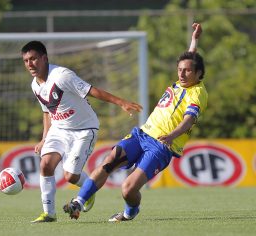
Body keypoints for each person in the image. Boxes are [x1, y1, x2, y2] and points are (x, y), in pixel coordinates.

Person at [63, 23, 208, 222]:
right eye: (179, 70)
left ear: (199, 73)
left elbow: (188, 120)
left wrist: (171, 136)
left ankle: (130, 212)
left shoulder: (197, 93)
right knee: (109, 162)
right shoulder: (182, 81)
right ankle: (78, 202)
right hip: (141, 135)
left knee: (128, 189)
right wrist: (195, 39)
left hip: (162, 146)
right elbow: (191, 57)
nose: (181, 74)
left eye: (187, 71)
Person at [21, 41, 142, 223]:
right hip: (58, 129)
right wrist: (44, 138)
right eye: (26, 61)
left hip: (84, 129)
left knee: (70, 176)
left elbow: (92, 91)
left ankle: (88, 190)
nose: (30, 64)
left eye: (33, 59)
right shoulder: (35, 85)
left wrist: (121, 102)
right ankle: (49, 213)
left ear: (44, 58)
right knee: (45, 165)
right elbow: (47, 111)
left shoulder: (62, 76)